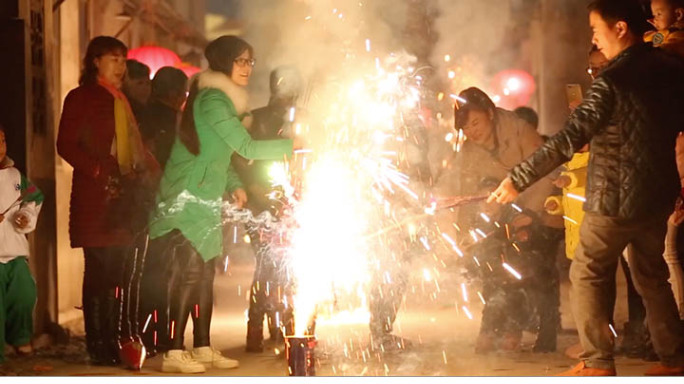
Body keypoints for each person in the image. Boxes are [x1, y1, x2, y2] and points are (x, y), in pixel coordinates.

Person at [488, 0, 684, 375]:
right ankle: (674, 357)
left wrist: (517, 178)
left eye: (596, 29)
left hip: (612, 198)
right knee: (651, 274)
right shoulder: (670, 70)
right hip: (657, 195)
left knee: (588, 271)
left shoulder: (611, 80)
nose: (594, 37)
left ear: (621, 28)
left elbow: (566, 140)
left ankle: (597, 361)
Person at [148, 35, 298, 373]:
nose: (246, 68)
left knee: (203, 275)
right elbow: (245, 147)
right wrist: (292, 145)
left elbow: (219, 154)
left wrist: (233, 185)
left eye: (250, 61)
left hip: (205, 196)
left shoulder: (224, 102)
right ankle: (173, 351)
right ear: (223, 61)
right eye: (240, 60)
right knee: (188, 274)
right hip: (185, 196)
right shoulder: (214, 101)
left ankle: (201, 346)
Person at [57, 36, 159, 366]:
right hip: (96, 199)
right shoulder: (81, 97)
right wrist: (98, 170)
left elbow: (134, 147)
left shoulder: (121, 99)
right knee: (99, 272)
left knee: (121, 272)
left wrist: (153, 173)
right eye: (114, 59)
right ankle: (98, 344)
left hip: (125, 201)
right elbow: (66, 144)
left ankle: (119, 339)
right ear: (95, 61)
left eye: (123, 59)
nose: (120, 66)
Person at [454, 87, 564, 353]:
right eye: (466, 127)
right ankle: (493, 326)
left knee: (537, 267)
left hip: (543, 207)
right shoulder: (469, 150)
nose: (473, 131)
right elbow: (466, 191)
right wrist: (465, 231)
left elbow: (545, 170)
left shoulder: (518, 129)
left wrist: (529, 214)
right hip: (503, 213)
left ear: (490, 114)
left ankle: (545, 332)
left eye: (476, 123)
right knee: (491, 261)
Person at [232, 65, 303, 353]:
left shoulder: (302, 120)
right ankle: (267, 328)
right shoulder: (256, 119)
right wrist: (253, 190)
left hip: (292, 204)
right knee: (270, 266)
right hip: (263, 204)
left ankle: (284, 328)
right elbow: (238, 157)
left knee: (285, 267)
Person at [136, 66, 188, 357]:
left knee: (150, 270)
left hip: (146, 202)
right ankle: (161, 337)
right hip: (166, 202)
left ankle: (148, 334)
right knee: (164, 272)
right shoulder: (169, 120)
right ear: (175, 93)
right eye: (183, 93)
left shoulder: (141, 115)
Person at [0, 124, 43, 364]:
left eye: (3, 141)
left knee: (24, 293)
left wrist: (25, 217)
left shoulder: (16, 176)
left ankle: (19, 338)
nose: (0, 147)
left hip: (15, 251)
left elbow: (34, 198)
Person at [139, 66, 188, 169]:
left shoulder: (141, 111)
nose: (185, 97)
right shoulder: (176, 119)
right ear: (173, 94)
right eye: (184, 92)